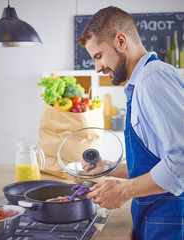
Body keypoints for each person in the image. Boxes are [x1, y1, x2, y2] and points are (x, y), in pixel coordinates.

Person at [78, 6, 184, 240]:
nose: (96, 68)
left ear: (121, 41)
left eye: (98, 56)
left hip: (171, 225)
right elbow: (157, 162)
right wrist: (109, 168)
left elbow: (182, 161)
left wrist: (123, 190)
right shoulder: (142, 82)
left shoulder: (152, 79)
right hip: (156, 220)